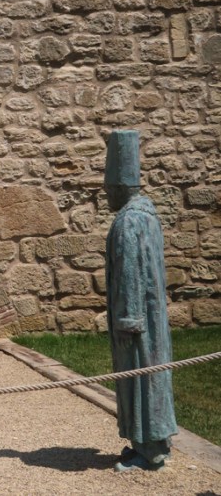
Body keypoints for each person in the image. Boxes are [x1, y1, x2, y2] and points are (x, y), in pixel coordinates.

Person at [104, 130, 178, 472]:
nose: (106, 194)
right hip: (151, 319)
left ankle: (150, 452)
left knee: (141, 379)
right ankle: (149, 444)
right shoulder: (147, 215)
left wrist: (128, 320)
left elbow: (131, 274)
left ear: (120, 186)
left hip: (136, 322)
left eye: (109, 188)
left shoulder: (128, 221)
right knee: (149, 378)